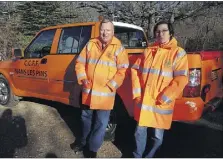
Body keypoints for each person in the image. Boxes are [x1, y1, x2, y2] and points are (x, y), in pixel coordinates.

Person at [131, 21, 189, 158]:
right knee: (138, 132)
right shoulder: (148, 51)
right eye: (157, 31)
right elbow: (135, 70)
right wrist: (137, 93)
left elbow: (182, 78)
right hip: (144, 102)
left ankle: (149, 156)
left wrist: (165, 97)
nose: (160, 34)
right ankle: (137, 156)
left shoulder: (178, 53)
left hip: (160, 104)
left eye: (164, 31)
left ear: (170, 33)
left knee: (158, 139)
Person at [74, 19, 129, 157]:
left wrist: (111, 86)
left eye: (108, 30)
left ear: (113, 31)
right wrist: (83, 78)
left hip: (105, 96)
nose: (104, 33)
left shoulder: (118, 48)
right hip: (89, 92)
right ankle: (82, 142)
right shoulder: (91, 44)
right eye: (102, 30)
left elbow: (122, 70)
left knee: (100, 124)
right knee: (85, 119)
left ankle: (92, 150)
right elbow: (80, 63)